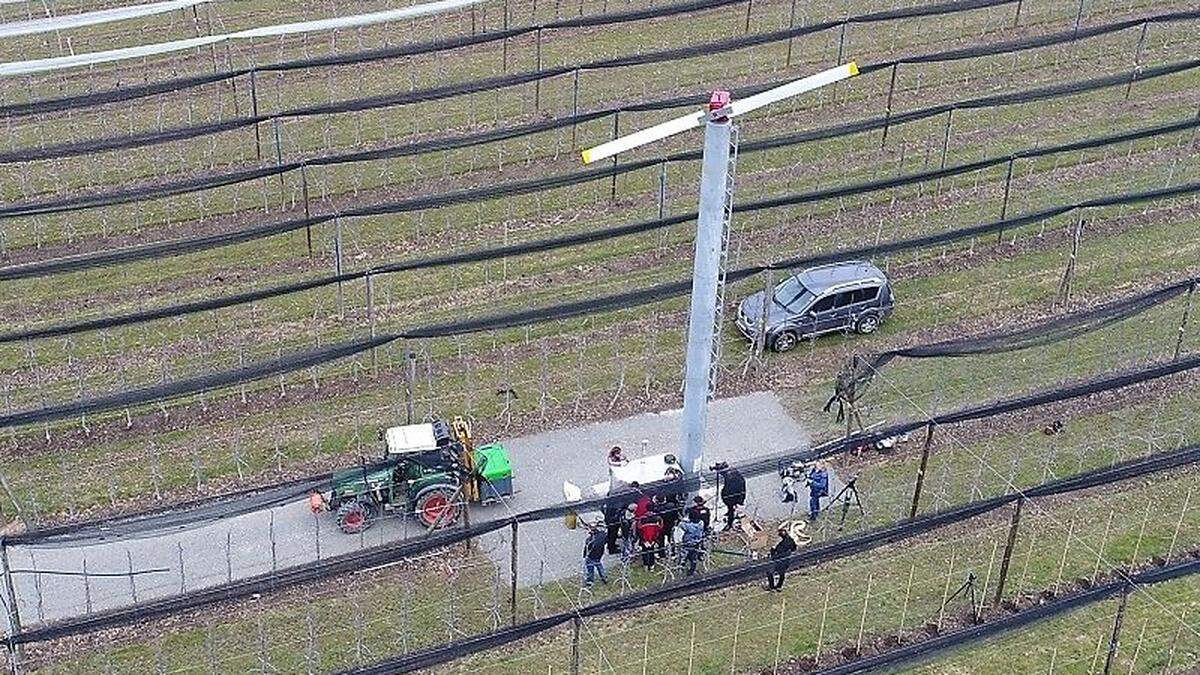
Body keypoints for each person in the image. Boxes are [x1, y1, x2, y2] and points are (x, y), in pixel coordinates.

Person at [716, 462, 747, 532]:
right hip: (735, 494)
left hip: (732, 495)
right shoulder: (732, 471)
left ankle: (729, 523)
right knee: (730, 507)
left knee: (731, 509)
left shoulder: (729, 475)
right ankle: (730, 512)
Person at [766, 525, 797, 591]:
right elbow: (794, 548)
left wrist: (772, 550)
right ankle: (779, 586)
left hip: (778, 561)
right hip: (786, 561)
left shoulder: (781, 544)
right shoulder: (791, 540)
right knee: (782, 574)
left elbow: (776, 552)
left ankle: (772, 587)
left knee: (770, 572)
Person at [679, 510, 706, 576]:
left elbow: (680, 524)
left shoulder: (687, 525)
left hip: (687, 544)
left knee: (683, 556)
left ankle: (681, 567)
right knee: (694, 558)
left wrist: (684, 520)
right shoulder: (701, 523)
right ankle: (692, 570)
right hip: (697, 543)